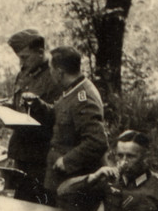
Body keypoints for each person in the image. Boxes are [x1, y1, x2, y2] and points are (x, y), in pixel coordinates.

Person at [22, 46, 107, 195]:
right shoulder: (72, 89)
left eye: (51, 69)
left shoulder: (84, 98)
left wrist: (68, 161)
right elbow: (60, 115)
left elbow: (97, 142)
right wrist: (38, 105)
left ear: (60, 72)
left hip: (73, 182)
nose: (50, 73)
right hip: (60, 178)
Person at [5, 28, 63, 185]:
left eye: (24, 57)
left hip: (40, 154)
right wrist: (7, 106)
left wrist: (38, 106)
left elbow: (60, 115)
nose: (21, 63)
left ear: (40, 52)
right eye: (19, 58)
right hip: (21, 150)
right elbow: (20, 102)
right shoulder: (25, 71)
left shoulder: (55, 76)